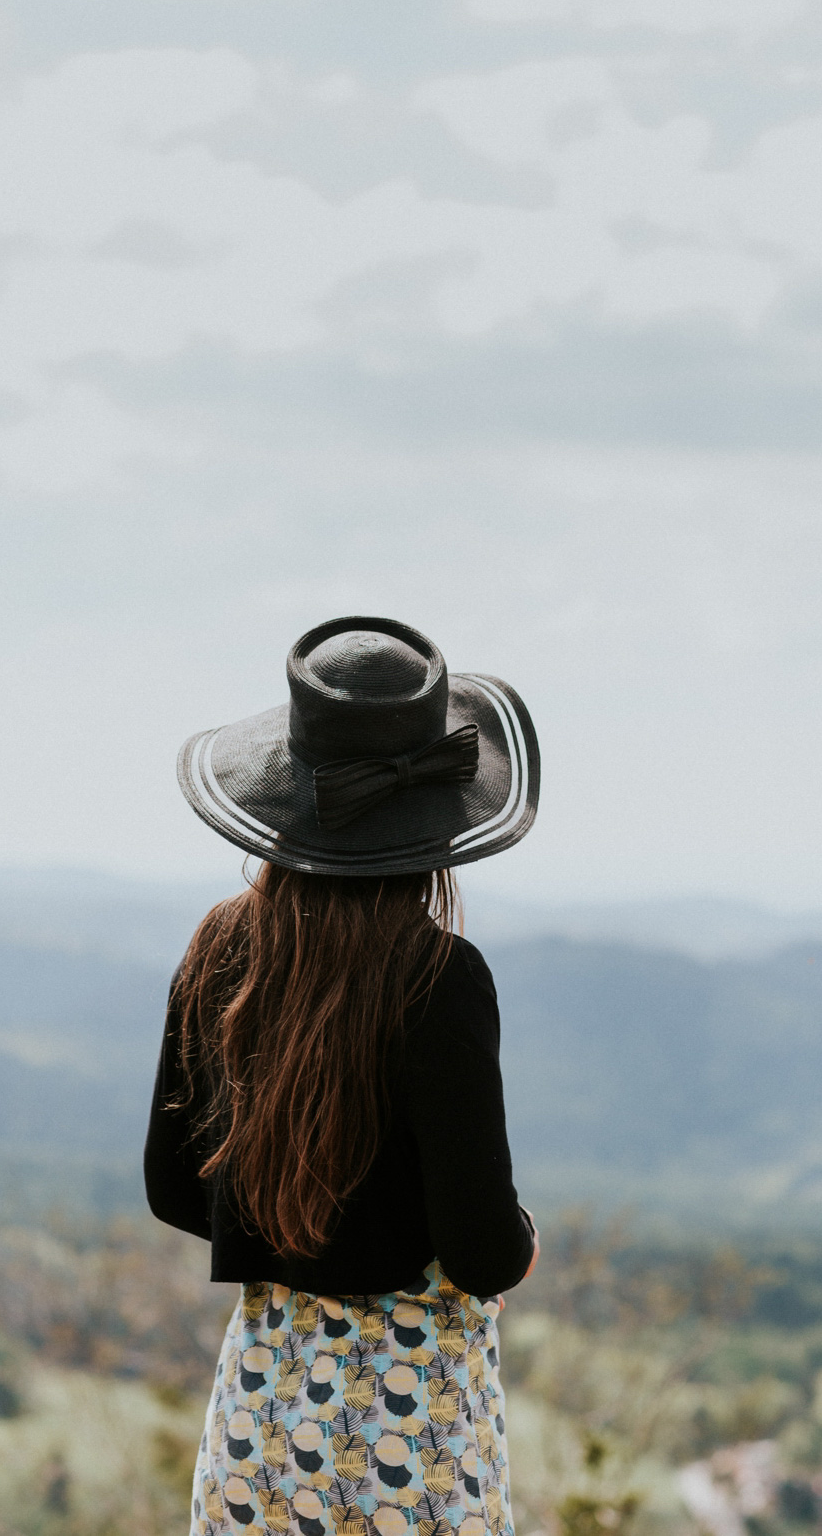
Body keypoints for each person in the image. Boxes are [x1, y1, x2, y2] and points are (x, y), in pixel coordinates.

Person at [145, 615, 542, 1536]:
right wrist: (523, 1237)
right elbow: (482, 1252)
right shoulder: (441, 978)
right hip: (413, 1456)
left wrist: (290, 1224)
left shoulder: (219, 948)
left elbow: (175, 1187)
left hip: (260, 1433)